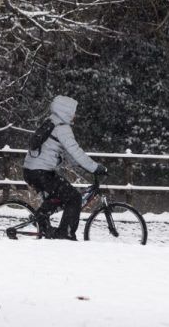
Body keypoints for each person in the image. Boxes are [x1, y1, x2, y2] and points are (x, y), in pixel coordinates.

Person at [23, 95, 108, 240]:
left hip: (33, 171)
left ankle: (42, 220)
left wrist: (83, 168)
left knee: (61, 195)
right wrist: (95, 168)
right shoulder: (62, 128)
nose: (75, 115)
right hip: (40, 172)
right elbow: (76, 151)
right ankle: (65, 233)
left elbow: (70, 155)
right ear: (66, 111)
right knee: (74, 197)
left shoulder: (51, 121)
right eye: (73, 111)